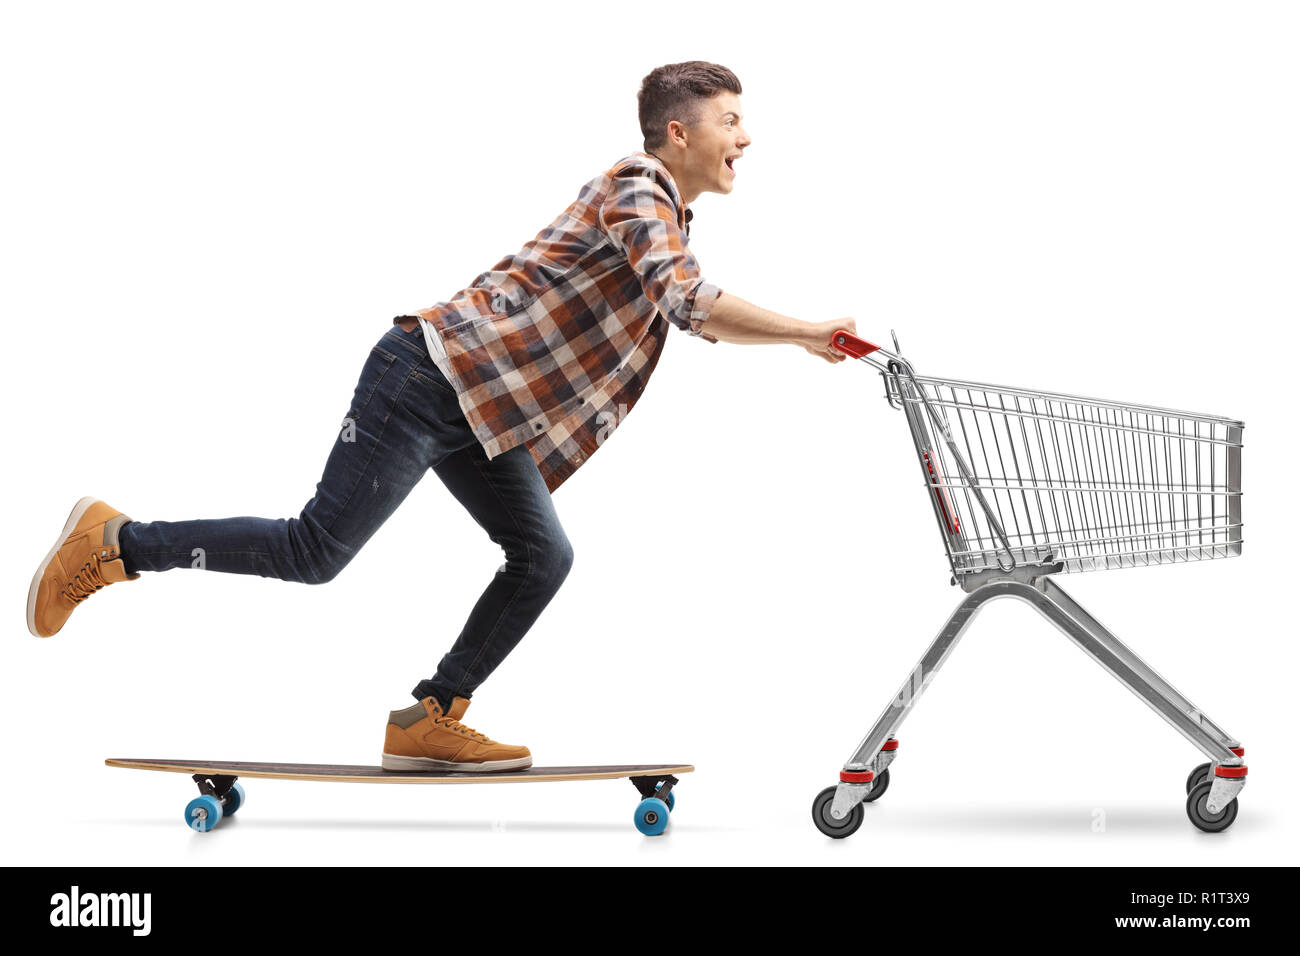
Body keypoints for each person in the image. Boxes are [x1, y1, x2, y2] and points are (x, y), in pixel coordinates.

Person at [26, 61, 857, 771]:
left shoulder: (668, 218)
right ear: (678, 133)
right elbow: (688, 302)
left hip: (485, 411)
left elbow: (679, 295)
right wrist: (805, 333)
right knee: (316, 552)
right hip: (428, 377)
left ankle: (430, 717)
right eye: (731, 122)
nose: (745, 139)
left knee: (542, 555)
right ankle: (115, 542)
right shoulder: (639, 185)